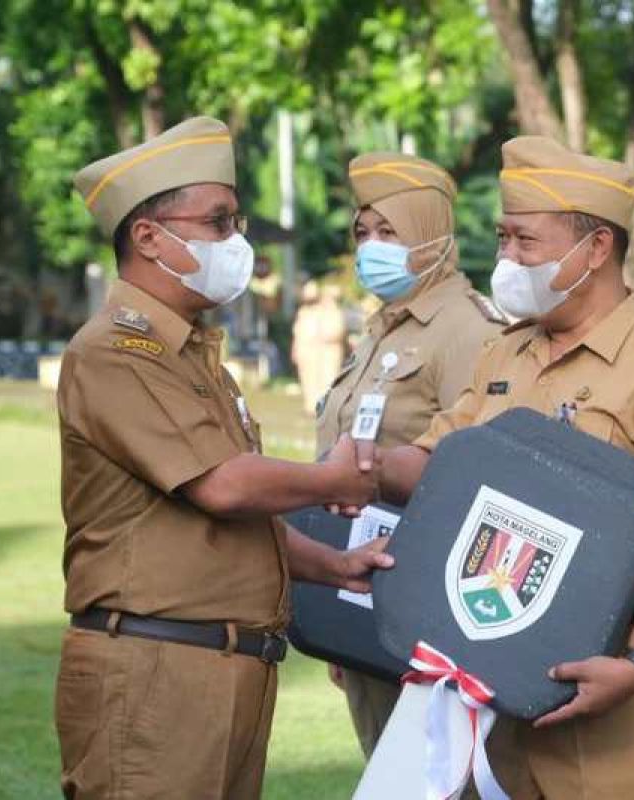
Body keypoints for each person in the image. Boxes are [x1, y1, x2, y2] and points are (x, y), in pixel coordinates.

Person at [375, 136, 634, 799]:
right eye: (503, 239)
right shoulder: (504, 356)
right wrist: (357, 468)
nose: (505, 257)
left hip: (610, 714)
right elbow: (434, 463)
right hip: (490, 693)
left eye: (524, 242)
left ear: (596, 249)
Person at [58, 117, 390, 800]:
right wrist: (331, 479)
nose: (236, 241)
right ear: (149, 238)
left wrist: (334, 567)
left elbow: (237, 522)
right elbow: (223, 487)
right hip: (157, 672)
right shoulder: (116, 353)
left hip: (225, 668)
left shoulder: (194, 356)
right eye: (218, 222)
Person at [316, 151, 508, 761]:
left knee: (435, 774)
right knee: (387, 766)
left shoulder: (469, 329)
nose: (371, 248)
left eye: (389, 233)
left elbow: (479, 477)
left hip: (429, 607)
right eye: (363, 233)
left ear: (431, 234)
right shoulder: (383, 328)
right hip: (364, 587)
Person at [291, 279, 348, 416]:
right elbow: (298, 333)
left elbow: (338, 332)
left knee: (328, 378)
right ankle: (311, 406)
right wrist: (295, 349)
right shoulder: (304, 312)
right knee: (308, 379)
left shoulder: (333, 312)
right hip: (307, 350)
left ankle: (326, 407)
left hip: (328, 351)